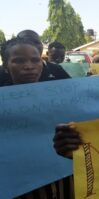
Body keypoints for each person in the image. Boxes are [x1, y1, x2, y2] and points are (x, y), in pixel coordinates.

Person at [0, 37, 73, 199]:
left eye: (35, 60)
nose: (29, 66)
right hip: (18, 182)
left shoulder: (65, 97)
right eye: (18, 61)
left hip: (61, 176)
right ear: (5, 66)